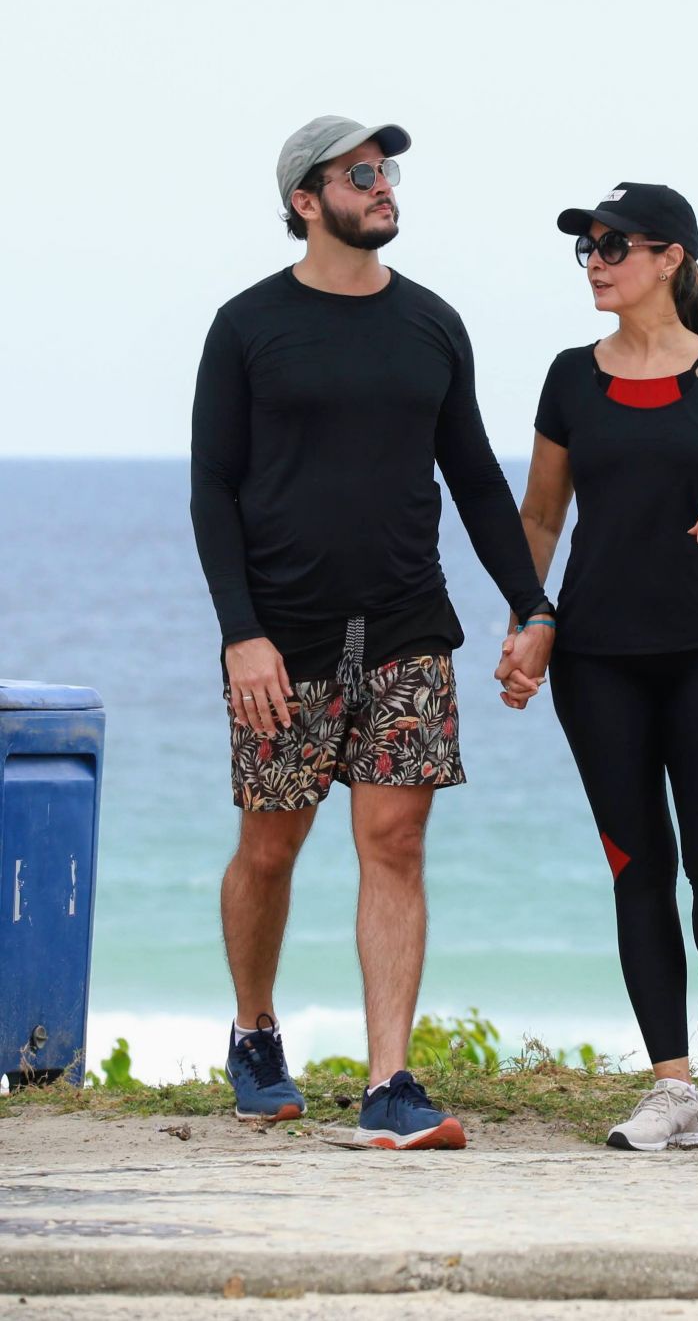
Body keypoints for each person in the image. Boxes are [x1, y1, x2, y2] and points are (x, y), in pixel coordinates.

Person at [190, 114, 554, 1146]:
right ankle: (255, 1033)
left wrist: (530, 605)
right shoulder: (247, 326)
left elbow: (477, 479)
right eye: (360, 173)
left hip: (404, 627)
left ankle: (390, 1081)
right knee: (270, 847)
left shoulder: (431, 323)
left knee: (394, 840)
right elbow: (211, 489)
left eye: (386, 169)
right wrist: (238, 632)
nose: (382, 184)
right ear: (307, 200)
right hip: (282, 637)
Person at [495, 182, 698, 1150]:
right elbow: (540, 517)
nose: (594, 259)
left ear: (669, 257)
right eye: (585, 247)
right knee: (637, 865)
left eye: (612, 244)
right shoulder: (566, 377)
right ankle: (672, 1084)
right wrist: (527, 616)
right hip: (597, 659)